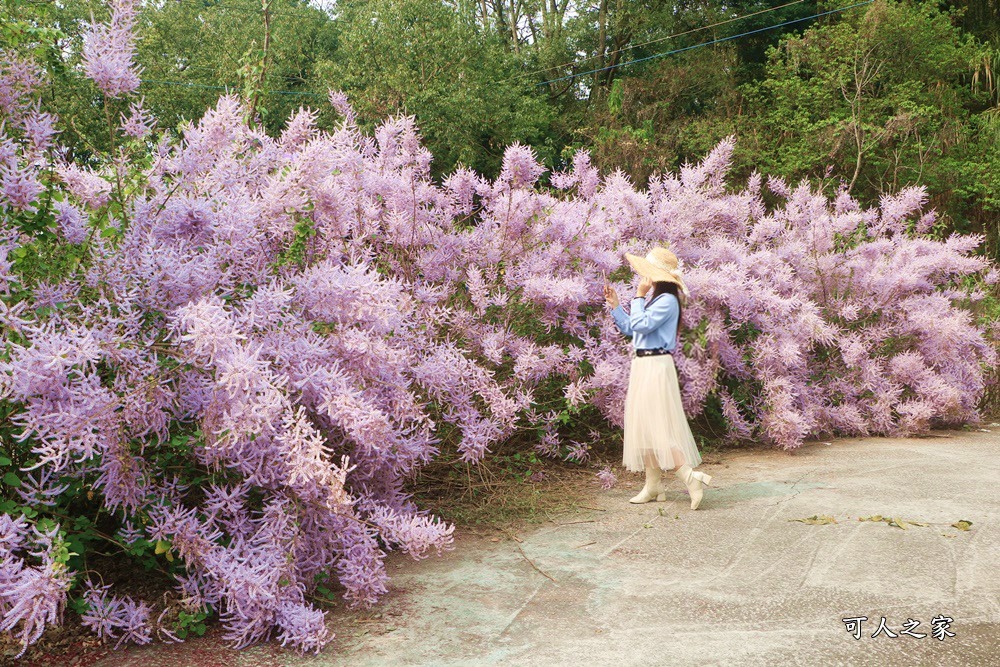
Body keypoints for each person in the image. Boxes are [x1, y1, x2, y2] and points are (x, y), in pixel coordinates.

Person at [603, 246, 713, 509]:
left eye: (648, 274)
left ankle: (690, 477)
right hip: (643, 364)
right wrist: (617, 305)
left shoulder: (667, 301)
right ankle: (653, 486)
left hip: (656, 365)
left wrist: (638, 297)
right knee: (644, 425)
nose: (645, 278)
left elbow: (641, 325)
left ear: (658, 276)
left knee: (657, 426)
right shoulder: (655, 300)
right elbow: (632, 328)